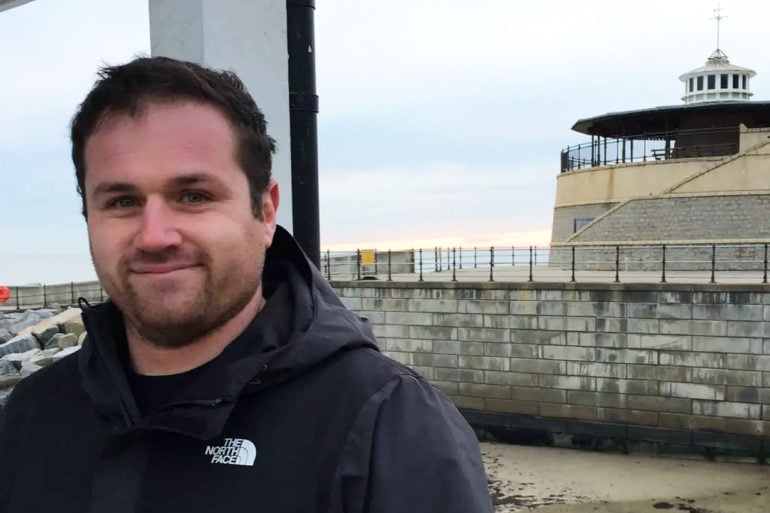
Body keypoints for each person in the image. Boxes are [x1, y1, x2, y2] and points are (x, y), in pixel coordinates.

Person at [0, 56, 493, 512]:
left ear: (265, 211)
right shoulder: (33, 413)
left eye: (193, 196)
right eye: (122, 202)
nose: (154, 236)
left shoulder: (385, 424)